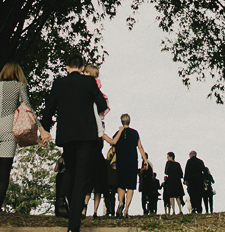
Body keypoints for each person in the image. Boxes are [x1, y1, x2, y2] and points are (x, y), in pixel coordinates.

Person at [40, 54, 107, 232]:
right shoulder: (89, 83)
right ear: (83, 67)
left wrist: (44, 129)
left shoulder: (59, 84)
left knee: (70, 168)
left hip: (67, 136)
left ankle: (62, 196)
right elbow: (102, 105)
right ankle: (73, 226)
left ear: (67, 67)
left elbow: (49, 110)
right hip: (86, 136)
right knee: (81, 178)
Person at [0, 61, 49, 232]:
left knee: (0, 164)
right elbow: (27, 108)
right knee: (5, 168)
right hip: (6, 129)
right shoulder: (19, 86)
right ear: (18, 73)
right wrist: (40, 128)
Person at [105, 113, 147, 218]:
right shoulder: (135, 133)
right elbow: (140, 146)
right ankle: (126, 209)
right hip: (132, 160)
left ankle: (120, 202)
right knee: (131, 185)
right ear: (129, 121)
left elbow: (113, 148)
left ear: (121, 121)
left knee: (121, 184)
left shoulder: (118, 133)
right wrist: (145, 160)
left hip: (121, 161)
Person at [83, 64, 109, 137]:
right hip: (92, 99)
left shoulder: (93, 82)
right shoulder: (93, 81)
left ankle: (99, 128)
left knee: (95, 112)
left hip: (93, 100)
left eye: (86, 72)